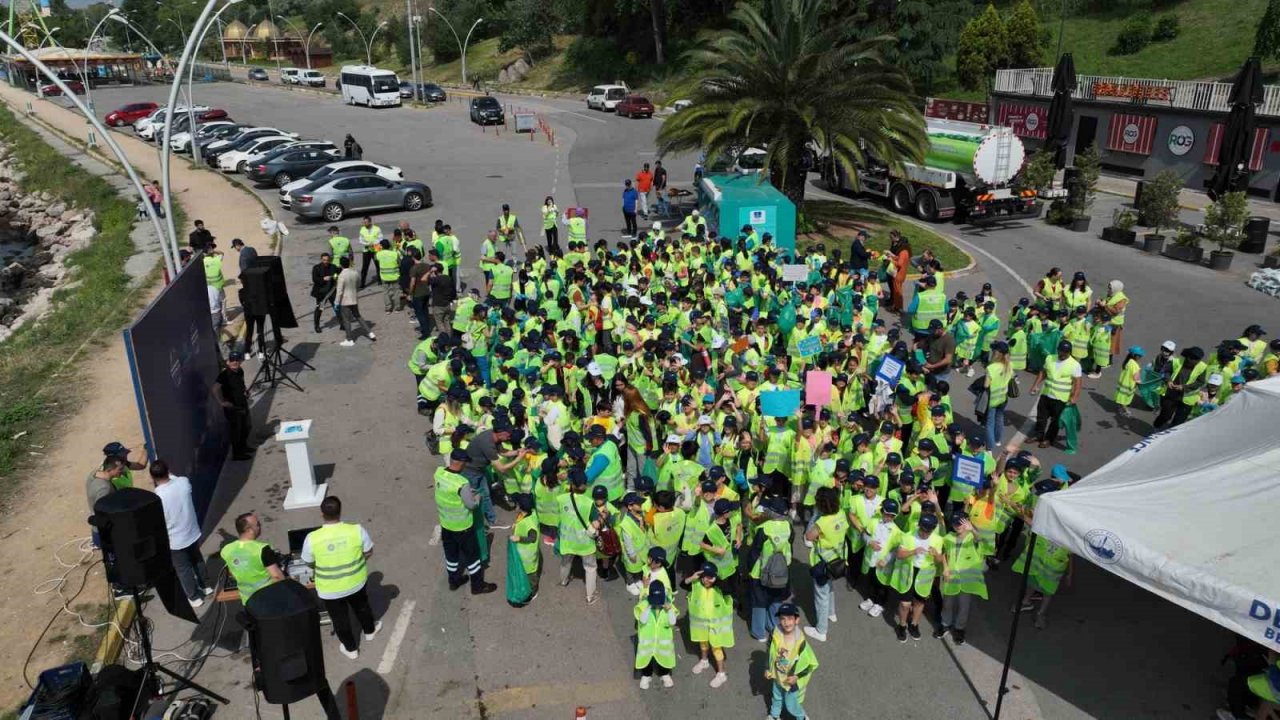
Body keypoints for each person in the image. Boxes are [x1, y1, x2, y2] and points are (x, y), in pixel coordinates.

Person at [301, 496, 381, 660]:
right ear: (340, 511)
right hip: (356, 581)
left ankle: (351, 648)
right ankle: (370, 631)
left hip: (329, 589)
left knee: (339, 619)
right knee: (362, 606)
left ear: (322, 514)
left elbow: (308, 561)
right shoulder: (357, 530)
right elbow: (369, 552)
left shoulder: (312, 538)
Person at [149, 461, 214, 607]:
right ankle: (206, 586)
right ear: (168, 471)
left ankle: (194, 596)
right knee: (197, 559)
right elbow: (175, 478)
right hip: (192, 531)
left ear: (152, 477)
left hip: (175, 540)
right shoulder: (183, 482)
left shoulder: (157, 496)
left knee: (183, 569)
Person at [435, 450, 498, 595]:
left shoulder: (439, 473)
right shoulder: (462, 483)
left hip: (446, 525)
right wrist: (478, 498)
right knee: (473, 557)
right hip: (463, 527)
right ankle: (477, 586)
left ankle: (453, 581)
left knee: (451, 555)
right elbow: (471, 505)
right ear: (461, 463)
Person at [803, 487, 848, 643]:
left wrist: (815, 515)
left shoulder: (821, 521)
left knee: (821, 594)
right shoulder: (841, 513)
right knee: (829, 588)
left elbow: (808, 536)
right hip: (838, 559)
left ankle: (821, 630)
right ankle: (831, 613)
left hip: (823, 563)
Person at [937, 510, 987, 644]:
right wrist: (945, 568)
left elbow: (980, 541)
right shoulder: (948, 537)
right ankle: (945, 624)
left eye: (960, 523)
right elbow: (944, 554)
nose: (957, 526)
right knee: (947, 603)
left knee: (964, 605)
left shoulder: (972, 537)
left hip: (967, 579)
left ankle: (959, 628)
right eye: (955, 524)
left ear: (967, 523)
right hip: (951, 577)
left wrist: (973, 531)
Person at [765, 603, 819, 720]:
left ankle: (801, 717)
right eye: (783, 619)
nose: (786, 622)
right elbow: (769, 651)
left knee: (791, 704)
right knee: (777, 696)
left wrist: (797, 677)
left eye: (790, 618)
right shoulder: (775, 633)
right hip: (778, 675)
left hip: (792, 682)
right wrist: (767, 668)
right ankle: (774, 715)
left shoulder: (801, 643)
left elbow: (811, 664)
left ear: (797, 620)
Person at [683, 562, 734, 689]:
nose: (706, 580)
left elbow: (730, 590)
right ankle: (704, 661)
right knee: (703, 643)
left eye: (710, 577)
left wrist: (716, 581)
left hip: (716, 627)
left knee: (717, 649)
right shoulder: (696, 585)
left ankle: (721, 674)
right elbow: (683, 585)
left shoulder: (720, 588)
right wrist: (692, 578)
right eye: (704, 576)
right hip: (701, 625)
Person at [220, 511, 285, 607]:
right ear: (250, 530)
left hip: (247, 601)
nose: (260, 526)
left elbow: (232, 574)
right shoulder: (262, 549)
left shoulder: (226, 550)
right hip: (268, 600)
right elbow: (278, 578)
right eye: (257, 524)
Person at [557, 468, 601, 604]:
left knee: (565, 562)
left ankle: (564, 581)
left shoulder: (561, 498)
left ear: (571, 483)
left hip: (567, 541)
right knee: (590, 568)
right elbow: (595, 525)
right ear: (586, 485)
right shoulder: (589, 503)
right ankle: (590, 596)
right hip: (585, 543)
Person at [1028, 340, 1082, 449]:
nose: (1062, 354)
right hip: (1046, 394)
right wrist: (1035, 385)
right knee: (1041, 417)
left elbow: (1078, 383)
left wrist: (1074, 397)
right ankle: (1039, 434)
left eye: (1065, 353)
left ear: (1069, 352)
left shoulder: (1075, 365)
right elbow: (1043, 373)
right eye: (1061, 351)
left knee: (1055, 421)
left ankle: (1048, 439)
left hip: (1061, 398)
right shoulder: (1050, 358)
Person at [634, 581, 678, 689]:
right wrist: (649, 606)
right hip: (647, 642)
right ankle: (646, 675)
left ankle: (664, 674)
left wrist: (669, 611)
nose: (657, 603)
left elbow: (672, 622)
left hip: (662, 642)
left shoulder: (669, 605)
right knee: (646, 659)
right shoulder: (644, 604)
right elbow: (643, 620)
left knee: (664, 658)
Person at [213, 351, 253, 460]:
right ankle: (237, 454)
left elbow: (241, 383)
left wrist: (245, 391)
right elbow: (215, 389)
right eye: (232, 360)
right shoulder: (224, 375)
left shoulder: (240, 371)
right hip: (232, 408)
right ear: (228, 362)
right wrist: (222, 402)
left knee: (246, 427)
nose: (235, 362)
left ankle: (244, 447)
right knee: (236, 431)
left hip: (242, 403)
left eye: (237, 360)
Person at [336, 256, 375, 347]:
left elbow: (339, 291)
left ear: (341, 265)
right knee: (358, 316)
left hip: (345, 301)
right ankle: (370, 333)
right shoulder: (355, 272)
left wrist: (336, 302)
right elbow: (358, 284)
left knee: (346, 320)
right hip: (354, 298)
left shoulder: (341, 275)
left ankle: (349, 339)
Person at [984, 340, 1013, 451]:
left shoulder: (991, 368)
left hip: (992, 399)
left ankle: (990, 446)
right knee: (999, 418)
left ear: (996, 353)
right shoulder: (1009, 365)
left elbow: (986, 385)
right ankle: (997, 440)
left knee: (989, 422)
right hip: (1003, 397)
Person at [310, 253, 340, 333]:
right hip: (321, 293)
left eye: (327, 260)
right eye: (324, 260)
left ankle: (342, 323)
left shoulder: (333, 266)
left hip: (332, 291)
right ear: (321, 259)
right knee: (319, 309)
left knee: (337, 307)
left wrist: (335, 277)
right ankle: (317, 326)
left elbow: (338, 273)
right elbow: (315, 279)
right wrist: (323, 279)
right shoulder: (316, 268)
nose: (326, 262)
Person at [374, 239, 403, 313]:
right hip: (395, 276)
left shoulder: (379, 254)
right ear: (389, 246)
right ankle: (397, 308)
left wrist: (377, 249)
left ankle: (388, 308)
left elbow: (375, 259)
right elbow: (399, 263)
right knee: (396, 292)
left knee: (386, 292)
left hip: (384, 276)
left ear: (381, 246)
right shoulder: (395, 254)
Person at [358, 216, 383, 289]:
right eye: (364, 222)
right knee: (364, 267)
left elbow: (380, 238)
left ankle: (380, 281)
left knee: (378, 265)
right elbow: (360, 239)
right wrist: (367, 244)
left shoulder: (377, 228)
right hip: (366, 250)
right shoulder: (362, 229)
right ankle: (362, 283)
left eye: (366, 222)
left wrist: (374, 243)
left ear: (370, 222)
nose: (364, 223)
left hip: (376, 249)